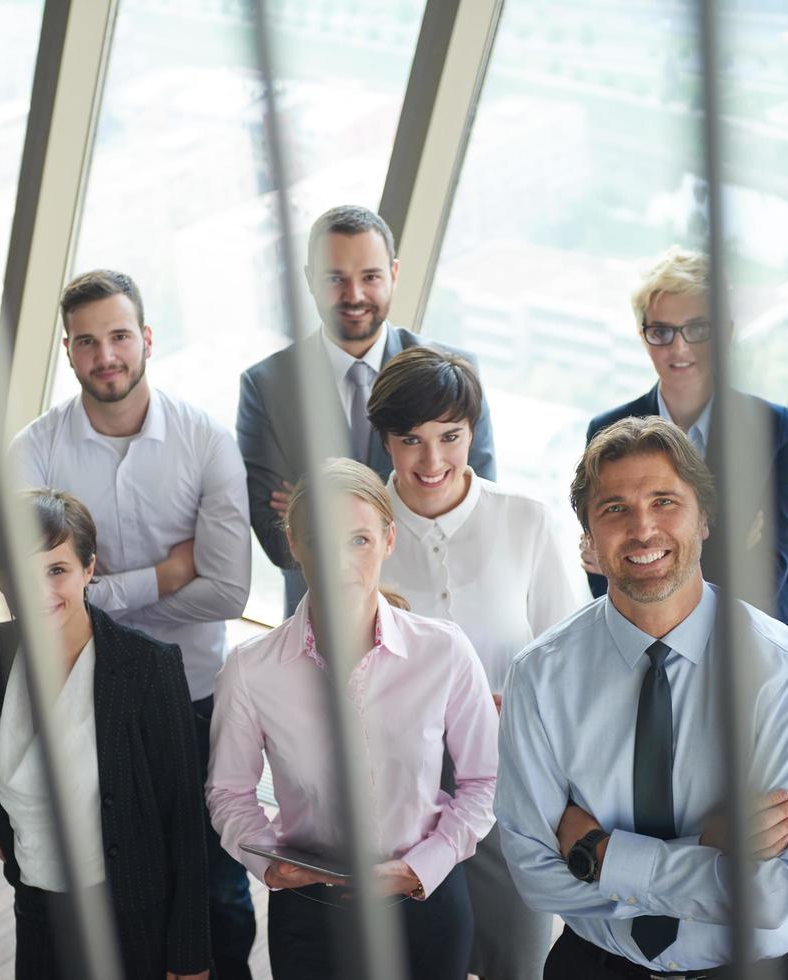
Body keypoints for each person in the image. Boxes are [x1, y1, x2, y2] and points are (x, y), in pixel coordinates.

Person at [496, 417, 788, 979]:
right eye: (614, 510)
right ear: (588, 537)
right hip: (595, 966)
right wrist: (708, 848)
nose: (643, 530)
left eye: (664, 501)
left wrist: (600, 855)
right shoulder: (540, 677)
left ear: (704, 519)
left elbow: (773, 893)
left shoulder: (785, 674)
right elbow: (535, 874)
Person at [8, 270, 255, 979]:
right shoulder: (35, 450)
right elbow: (39, 601)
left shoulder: (205, 440)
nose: (105, 355)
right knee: (102, 870)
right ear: (67, 351)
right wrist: (169, 575)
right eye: (87, 343)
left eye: (119, 336)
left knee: (213, 878)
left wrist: (96, 593)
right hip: (82, 693)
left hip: (192, 692)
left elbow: (230, 590)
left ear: (146, 339)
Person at [206, 458, 498, 980]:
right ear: (294, 545)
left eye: (359, 540)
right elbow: (229, 792)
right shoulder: (250, 671)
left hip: (423, 904)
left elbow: (486, 781)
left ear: (389, 539)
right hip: (310, 914)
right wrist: (269, 863)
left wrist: (420, 866)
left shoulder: (445, 651)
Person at [0, 488, 210, 979]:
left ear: (88, 568)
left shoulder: (146, 669)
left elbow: (185, 818)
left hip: (134, 918)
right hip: (37, 907)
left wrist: (190, 955)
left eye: (58, 570)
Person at [365, 345, 578, 980]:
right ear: (386, 440)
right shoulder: (358, 530)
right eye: (411, 439)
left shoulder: (527, 522)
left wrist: (511, 710)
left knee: (515, 958)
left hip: (509, 790)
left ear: (472, 431)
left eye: (450, 436)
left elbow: (569, 662)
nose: (432, 460)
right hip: (396, 798)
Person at [238, 204, 498, 615]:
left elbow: (474, 509)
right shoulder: (265, 386)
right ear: (309, 280)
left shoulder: (455, 373)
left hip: (432, 610)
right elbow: (279, 542)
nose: (354, 295)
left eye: (370, 277)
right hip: (322, 625)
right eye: (334, 279)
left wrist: (322, 512)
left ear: (393, 274)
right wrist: (419, 497)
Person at [585, 247, 788, 644]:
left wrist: (654, 567)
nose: (679, 348)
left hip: (761, 640)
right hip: (650, 643)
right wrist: (725, 549)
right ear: (643, 337)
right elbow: (602, 569)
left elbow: (766, 572)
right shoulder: (607, 430)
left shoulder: (771, 428)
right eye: (661, 332)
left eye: (697, 329)